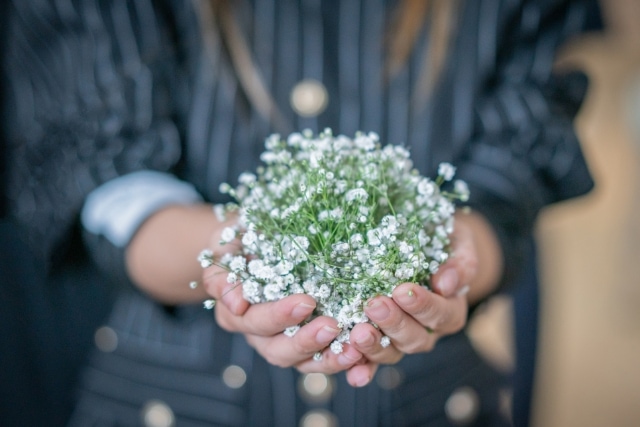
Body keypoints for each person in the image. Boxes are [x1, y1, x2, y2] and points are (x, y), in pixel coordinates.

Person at [1, 0, 601, 425]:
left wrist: (461, 256)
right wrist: (249, 253)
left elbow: (512, 168)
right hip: (170, 405)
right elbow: (109, 181)